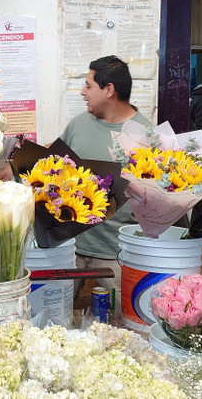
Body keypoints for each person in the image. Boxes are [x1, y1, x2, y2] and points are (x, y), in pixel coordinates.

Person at [59, 56, 152, 303]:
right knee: (56, 314)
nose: (83, 92)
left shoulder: (146, 135)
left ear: (109, 89)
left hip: (118, 254)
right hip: (70, 249)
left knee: (126, 319)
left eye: (88, 85)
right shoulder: (78, 125)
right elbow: (55, 166)